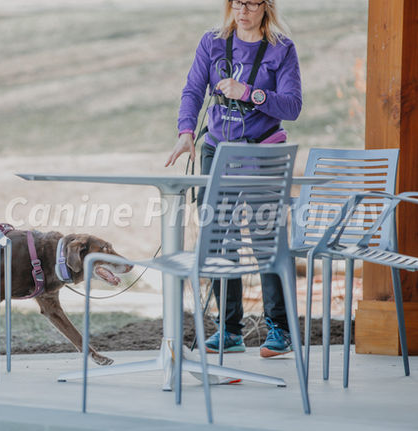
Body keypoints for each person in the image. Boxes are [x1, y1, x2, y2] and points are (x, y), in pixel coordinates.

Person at [165, 0, 302, 357]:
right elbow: (193, 90)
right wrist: (185, 131)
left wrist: (249, 93)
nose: (243, 10)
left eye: (252, 3)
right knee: (219, 239)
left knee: (265, 238)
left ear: (266, 7)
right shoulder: (212, 42)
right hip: (217, 150)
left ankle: (280, 329)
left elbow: (292, 106)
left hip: (263, 151)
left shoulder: (282, 49)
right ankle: (229, 330)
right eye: (236, 2)